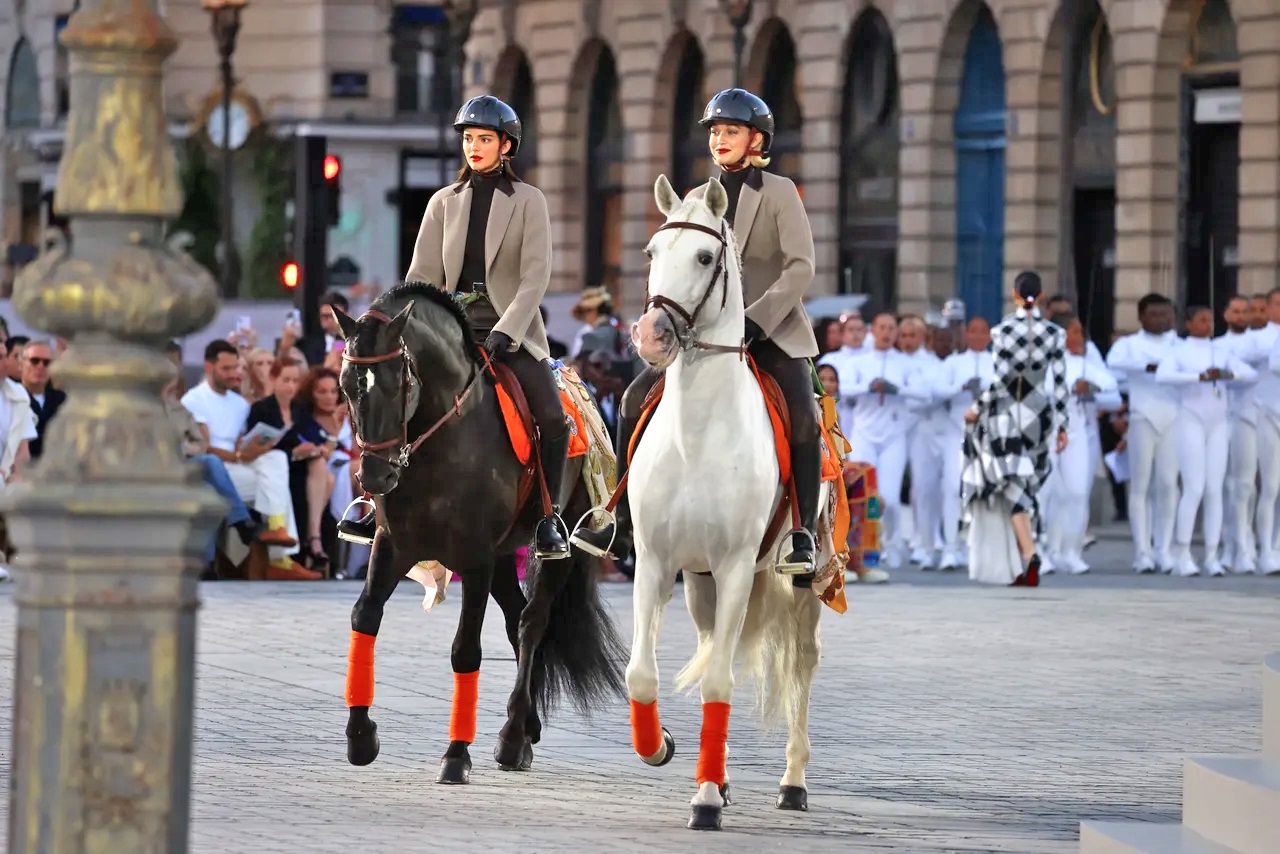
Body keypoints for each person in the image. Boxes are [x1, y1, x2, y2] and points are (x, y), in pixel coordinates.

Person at [573, 87, 822, 574]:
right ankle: (620, 519)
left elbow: (801, 268)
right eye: (714, 131)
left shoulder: (780, 192)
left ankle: (803, 535)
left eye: (731, 131)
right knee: (632, 401)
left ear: (756, 139)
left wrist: (756, 318)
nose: (719, 139)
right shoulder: (692, 199)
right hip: (698, 337)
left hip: (770, 332)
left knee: (804, 419)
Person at [342, 95, 568, 559]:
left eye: (484, 139)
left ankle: (549, 518)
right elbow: (420, 277)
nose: (474, 147)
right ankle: (373, 506)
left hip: (511, 333)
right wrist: (409, 327)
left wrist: (508, 329)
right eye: (468, 139)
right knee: (389, 399)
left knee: (552, 417)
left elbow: (535, 277)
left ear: (506, 145)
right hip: (448, 334)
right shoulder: (443, 202)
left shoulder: (530, 200)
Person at [961, 271, 1069, 587]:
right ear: (1041, 295)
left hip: (1007, 413)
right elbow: (1060, 385)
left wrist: (977, 408)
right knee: (1026, 485)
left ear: (1014, 294)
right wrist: (1063, 425)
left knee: (1012, 485)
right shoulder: (1055, 334)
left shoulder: (1003, 331)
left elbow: (1000, 381)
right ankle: (1026, 553)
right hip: (1039, 414)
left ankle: (1029, 553)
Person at [1155, 306, 1256, 576]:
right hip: (1191, 420)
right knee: (1194, 487)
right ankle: (1182, 553)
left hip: (1218, 423)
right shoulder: (1179, 351)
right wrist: (1198, 377)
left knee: (1214, 489)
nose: (1208, 324)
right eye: (1201, 320)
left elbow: (1251, 374)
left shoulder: (1220, 352)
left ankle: (1212, 555)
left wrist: (1228, 375)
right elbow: (1162, 375)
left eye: (1210, 320)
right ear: (1188, 323)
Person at [838, 313, 931, 568]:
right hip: (864, 435)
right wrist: (868, 387)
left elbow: (925, 393)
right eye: (882, 328)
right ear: (873, 331)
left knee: (889, 499)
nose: (887, 333)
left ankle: (892, 544)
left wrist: (897, 389)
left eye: (891, 328)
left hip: (893, 436)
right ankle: (857, 549)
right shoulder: (859, 362)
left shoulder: (904, 364)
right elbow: (843, 387)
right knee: (862, 495)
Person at [1041, 311, 1121, 574]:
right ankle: (1041, 551)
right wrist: (1071, 389)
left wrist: (1091, 390)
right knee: (1046, 493)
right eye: (1075, 331)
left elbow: (1112, 390)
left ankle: (1070, 552)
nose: (1081, 337)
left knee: (1076, 493)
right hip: (1046, 434)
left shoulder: (1083, 365)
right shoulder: (1043, 360)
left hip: (1075, 434)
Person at [1105, 294, 1180, 573]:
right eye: (1154, 314)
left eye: (1165, 314)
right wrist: (1147, 368)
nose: (1161, 319)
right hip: (1141, 417)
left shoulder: (1179, 345)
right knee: (1140, 486)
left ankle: (1164, 549)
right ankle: (1142, 551)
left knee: (1168, 485)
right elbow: (1113, 367)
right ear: (1141, 317)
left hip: (1173, 418)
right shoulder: (1128, 345)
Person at [247, 358, 332, 576]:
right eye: (286, 380)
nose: (291, 386)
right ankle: (304, 545)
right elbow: (257, 447)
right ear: (274, 379)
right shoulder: (261, 409)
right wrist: (294, 453)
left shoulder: (299, 410)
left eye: (295, 381)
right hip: (269, 466)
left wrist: (316, 449)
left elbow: (316, 438)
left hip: (297, 466)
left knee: (320, 464)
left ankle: (314, 537)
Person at [935, 317, 994, 571]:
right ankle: (950, 548)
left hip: (987, 435)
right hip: (956, 433)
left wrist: (988, 392)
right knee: (951, 488)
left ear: (990, 336)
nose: (978, 336)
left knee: (982, 491)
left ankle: (976, 548)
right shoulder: (953, 363)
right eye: (973, 331)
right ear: (966, 335)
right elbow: (937, 390)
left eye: (983, 331)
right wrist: (960, 387)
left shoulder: (996, 362)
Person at [1220, 295, 1264, 571]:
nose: (1241, 316)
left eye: (1245, 311)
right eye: (1235, 311)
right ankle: (1233, 546)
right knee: (1232, 485)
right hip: (1229, 418)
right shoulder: (1217, 346)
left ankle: (1252, 541)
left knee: (1254, 487)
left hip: (1260, 416)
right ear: (1226, 315)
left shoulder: (1260, 342)